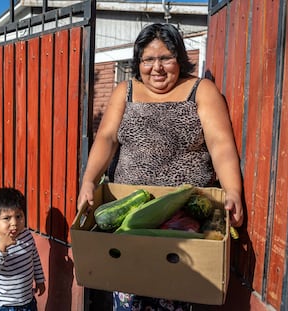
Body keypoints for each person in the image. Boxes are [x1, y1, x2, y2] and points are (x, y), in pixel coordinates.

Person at [77, 22, 244, 311]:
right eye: (148, 59)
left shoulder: (201, 90)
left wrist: (232, 190)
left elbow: (220, 144)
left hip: (184, 222)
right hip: (130, 217)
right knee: (130, 294)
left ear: (179, 57)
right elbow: (105, 138)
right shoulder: (124, 91)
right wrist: (89, 181)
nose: (157, 67)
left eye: (166, 57)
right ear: (138, 62)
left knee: (176, 293)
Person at [0, 187, 46, 311]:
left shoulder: (26, 236)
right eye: (7, 218)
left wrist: (39, 280)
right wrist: (1, 247)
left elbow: (34, 259)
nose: (14, 223)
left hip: (27, 302)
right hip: (3, 305)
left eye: (18, 216)